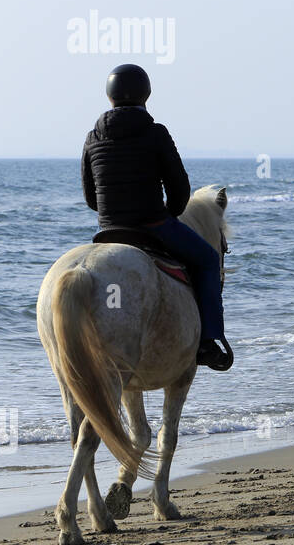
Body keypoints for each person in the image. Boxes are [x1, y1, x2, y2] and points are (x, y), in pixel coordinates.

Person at [82, 63, 232, 371]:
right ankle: (208, 342)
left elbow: (89, 197)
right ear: (145, 95)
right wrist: (171, 213)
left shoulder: (92, 137)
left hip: (107, 231)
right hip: (152, 226)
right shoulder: (155, 133)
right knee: (206, 259)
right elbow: (179, 188)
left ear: (109, 97)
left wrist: (112, 216)